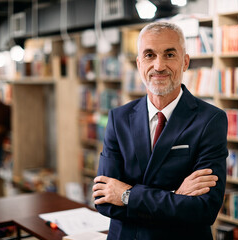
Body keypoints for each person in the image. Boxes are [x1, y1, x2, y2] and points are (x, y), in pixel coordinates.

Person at [92, 22, 228, 240]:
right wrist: (175, 197)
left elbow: (204, 208)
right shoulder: (118, 118)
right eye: (149, 55)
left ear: (185, 62)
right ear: (138, 64)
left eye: (169, 54)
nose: (159, 65)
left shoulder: (210, 120)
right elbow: (104, 201)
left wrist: (126, 195)